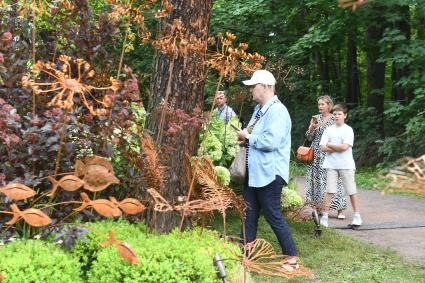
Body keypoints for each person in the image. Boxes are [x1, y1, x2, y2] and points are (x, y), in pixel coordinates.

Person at [236, 70, 298, 270]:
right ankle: (246, 255)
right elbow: (254, 137)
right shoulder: (259, 109)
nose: (251, 90)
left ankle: (291, 259)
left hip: (270, 174)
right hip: (255, 172)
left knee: (273, 214)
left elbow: (271, 142)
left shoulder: (278, 111)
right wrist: (245, 138)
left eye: (254, 86)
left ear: (267, 87)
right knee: (248, 213)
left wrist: (248, 137)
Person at [319, 104, 362, 227]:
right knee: (329, 190)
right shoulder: (329, 130)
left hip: (346, 165)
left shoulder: (348, 130)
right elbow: (322, 147)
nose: (337, 116)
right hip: (331, 165)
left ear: (345, 116)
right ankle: (325, 217)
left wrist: (330, 145)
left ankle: (357, 216)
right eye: (335, 114)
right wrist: (336, 146)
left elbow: (344, 147)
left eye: (339, 114)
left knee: (351, 191)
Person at [305, 96, 348, 219]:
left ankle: (340, 209)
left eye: (323, 104)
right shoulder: (315, 118)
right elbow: (308, 137)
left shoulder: (334, 118)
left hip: (330, 152)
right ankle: (318, 208)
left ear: (329, 105)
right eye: (319, 104)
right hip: (315, 154)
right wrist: (312, 128)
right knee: (316, 181)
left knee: (335, 180)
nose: (320, 106)